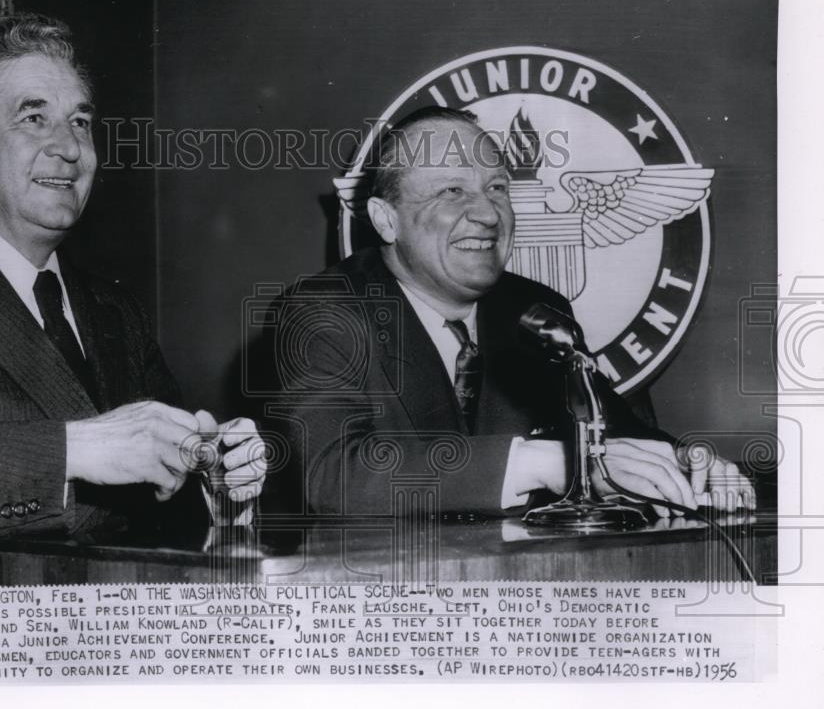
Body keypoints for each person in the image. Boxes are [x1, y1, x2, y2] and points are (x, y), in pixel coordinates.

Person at [0, 14, 265, 580]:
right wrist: (71, 450)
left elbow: (157, 505)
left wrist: (216, 478)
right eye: (33, 117)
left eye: (80, 121)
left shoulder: (117, 311)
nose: (69, 148)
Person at [260, 106, 753, 517]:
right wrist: (562, 461)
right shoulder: (321, 310)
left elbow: (617, 435)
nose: (488, 213)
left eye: (497, 188)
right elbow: (329, 475)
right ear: (386, 220)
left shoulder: (536, 309)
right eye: (451, 191)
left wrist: (686, 462)